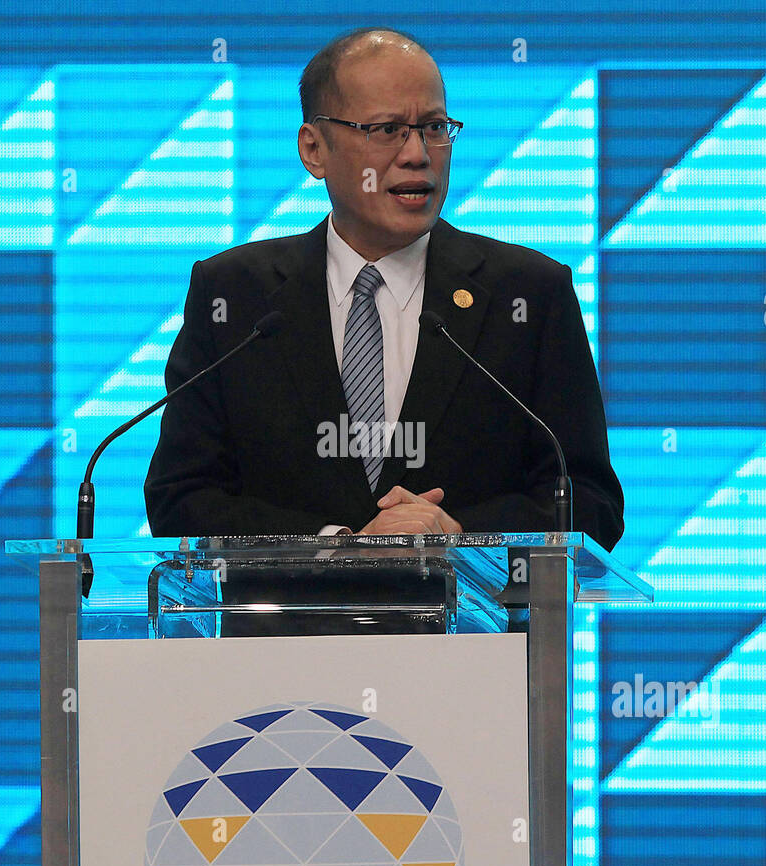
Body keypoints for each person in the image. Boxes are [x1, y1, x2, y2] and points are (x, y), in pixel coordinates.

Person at [145, 27, 624, 550]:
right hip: (283, 629)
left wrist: (461, 537)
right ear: (314, 149)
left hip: (468, 630)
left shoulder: (528, 295)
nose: (418, 154)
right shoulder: (235, 297)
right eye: (388, 129)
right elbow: (181, 499)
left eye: (434, 128)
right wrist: (338, 545)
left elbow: (590, 502)